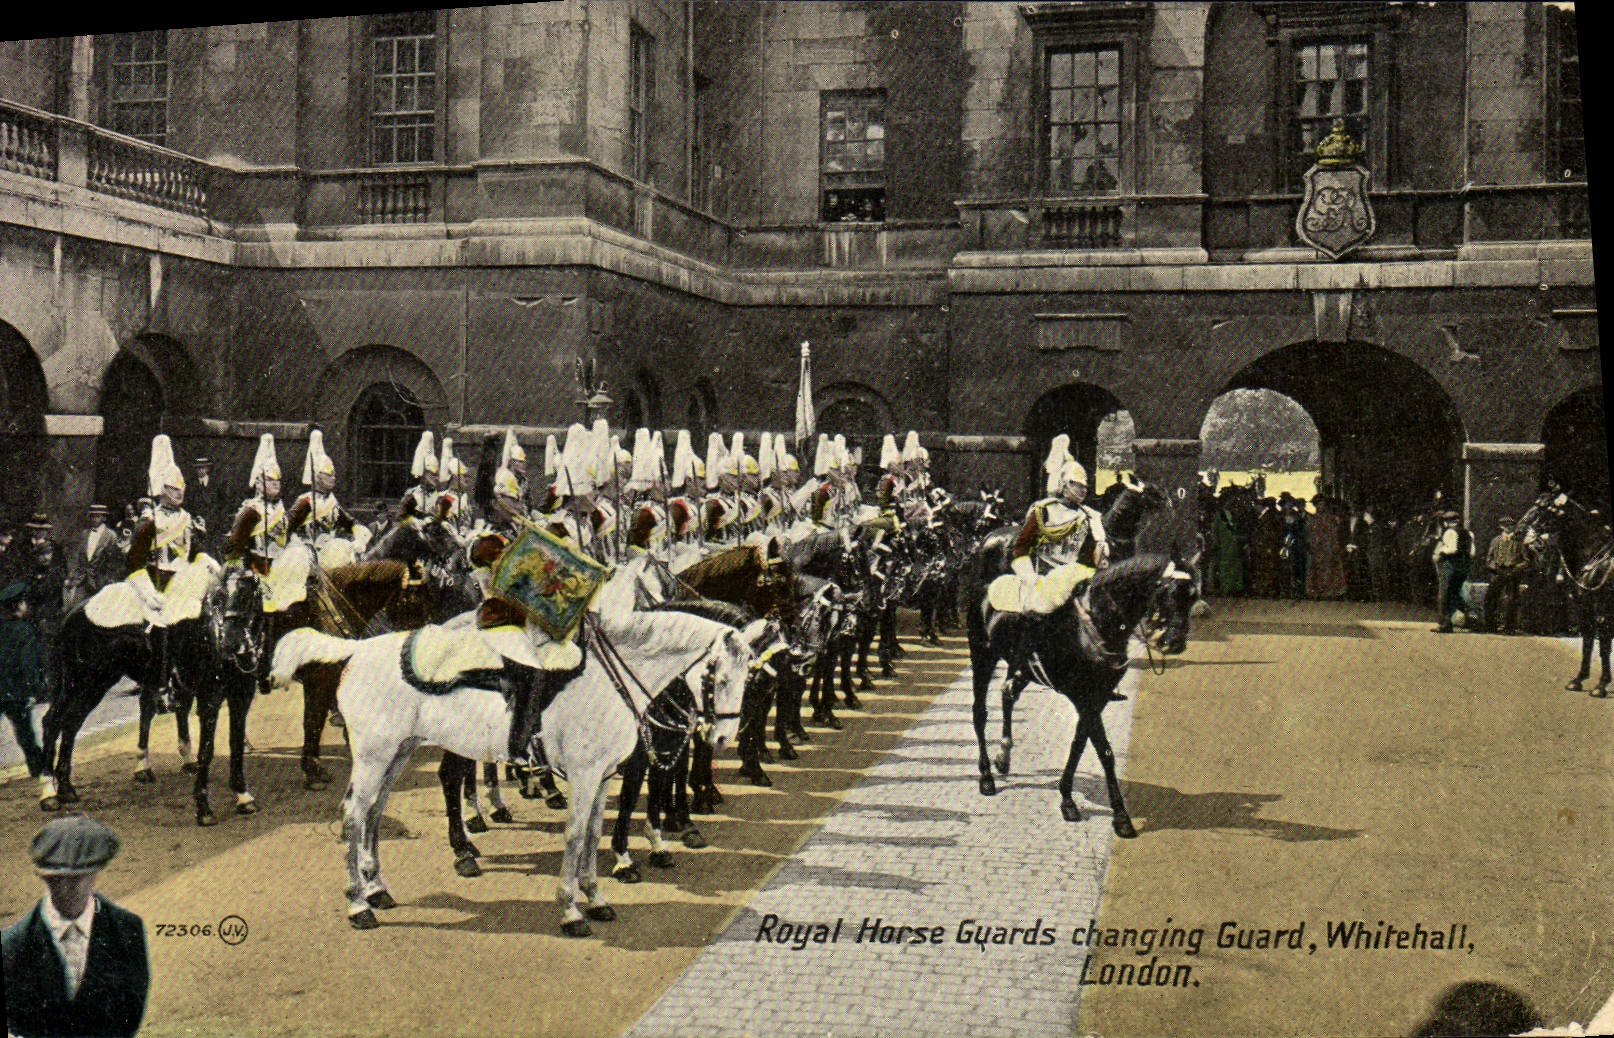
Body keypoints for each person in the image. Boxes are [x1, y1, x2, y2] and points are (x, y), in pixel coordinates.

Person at [2, 814, 150, 1038]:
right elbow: (18, 1020)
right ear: (44, 878)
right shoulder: (13, 946)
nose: (66, 889)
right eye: (55, 880)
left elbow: (130, 1011)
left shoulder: (126, 930)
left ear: (94, 874)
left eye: (76, 879)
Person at [1008, 434, 1109, 614]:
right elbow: (1021, 548)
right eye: (1076, 484)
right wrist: (1030, 578)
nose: (1082, 489)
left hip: (1073, 580)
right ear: (1063, 485)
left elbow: (1089, 554)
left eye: (1084, 486)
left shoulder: (1088, 515)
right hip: (1043, 579)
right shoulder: (1045, 510)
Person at [0, 581, 48, 783]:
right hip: (17, 692)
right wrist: (34, 691)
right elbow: (29, 663)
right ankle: (38, 769)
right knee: (25, 733)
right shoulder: (24, 630)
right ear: (19, 605)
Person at [63, 504, 124, 613]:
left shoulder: (111, 536)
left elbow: (114, 562)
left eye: (98, 516)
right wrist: (72, 576)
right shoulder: (85, 534)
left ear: (104, 518)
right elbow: (78, 556)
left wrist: (108, 579)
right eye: (92, 516)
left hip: (100, 581)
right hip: (82, 579)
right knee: (76, 610)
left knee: (98, 611)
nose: (94, 519)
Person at [1485, 515, 1530, 635]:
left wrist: (1516, 568)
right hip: (1498, 572)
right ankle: (1490, 625)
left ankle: (1509, 627)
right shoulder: (1496, 541)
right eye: (1505, 525)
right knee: (1491, 598)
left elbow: (1526, 560)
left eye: (1510, 525)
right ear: (1501, 527)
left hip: (1513, 572)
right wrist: (1495, 567)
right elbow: (1489, 558)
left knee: (1512, 599)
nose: (1507, 528)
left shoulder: (1519, 542)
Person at [1431, 510, 1474, 632]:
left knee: (1444, 594)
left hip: (1450, 565)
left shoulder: (1450, 532)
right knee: (1455, 593)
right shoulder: (1468, 533)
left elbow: (1452, 549)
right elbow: (1472, 552)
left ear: (1447, 522)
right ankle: (1470, 615)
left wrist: (1440, 552)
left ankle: (1445, 623)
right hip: (1463, 567)